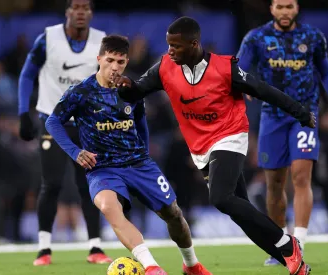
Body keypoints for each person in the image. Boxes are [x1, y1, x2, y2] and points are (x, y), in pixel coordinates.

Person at [112, 16, 314, 275]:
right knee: (239, 211)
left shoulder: (225, 68)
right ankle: (293, 262)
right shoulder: (164, 68)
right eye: (168, 45)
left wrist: (299, 111)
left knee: (220, 198)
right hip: (201, 147)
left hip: (230, 135)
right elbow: (137, 91)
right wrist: (126, 86)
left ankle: (287, 245)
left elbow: (262, 90)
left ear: (194, 44)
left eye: (176, 46)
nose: (170, 51)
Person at [46, 35, 212, 275]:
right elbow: (53, 122)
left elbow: (141, 121)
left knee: (173, 214)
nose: (115, 67)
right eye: (110, 60)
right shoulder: (80, 93)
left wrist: (144, 153)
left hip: (138, 164)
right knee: (108, 206)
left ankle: (191, 264)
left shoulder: (130, 89)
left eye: (121, 62)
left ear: (126, 62)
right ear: (99, 59)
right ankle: (152, 267)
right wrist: (75, 151)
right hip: (102, 168)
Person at [236, 0, 328, 266]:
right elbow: (238, 69)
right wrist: (240, 86)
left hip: (304, 116)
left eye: (289, 6)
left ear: (297, 8)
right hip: (272, 117)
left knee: (301, 176)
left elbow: (326, 73)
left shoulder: (312, 37)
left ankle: (298, 243)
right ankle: (281, 247)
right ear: (271, 9)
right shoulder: (256, 38)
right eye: (280, 6)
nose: (285, 12)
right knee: (274, 185)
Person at [17, 0, 111, 265]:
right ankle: (44, 249)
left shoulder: (101, 42)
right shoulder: (48, 39)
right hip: (53, 121)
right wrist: (23, 113)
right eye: (76, 7)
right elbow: (27, 75)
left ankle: (95, 247)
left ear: (92, 12)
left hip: (86, 124)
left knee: (89, 184)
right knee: (52, 183)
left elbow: (107, 80)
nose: (81, 12)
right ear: (67, 12)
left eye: (86, 7)